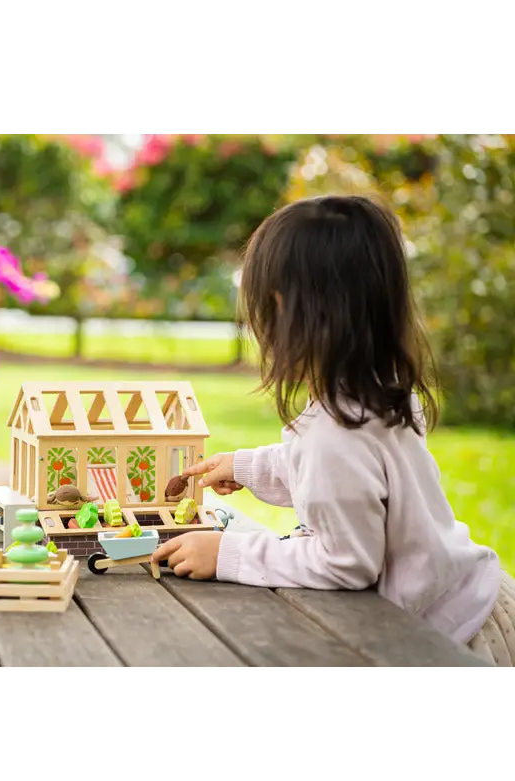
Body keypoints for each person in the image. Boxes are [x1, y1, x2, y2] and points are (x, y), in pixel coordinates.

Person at [151, 194, 515, 668]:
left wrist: (228, 554)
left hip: (444, 638)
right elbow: (333, 473)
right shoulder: (374, 392)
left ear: (288, 310)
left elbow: (345, 564)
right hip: (467, 596)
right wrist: (246, 466)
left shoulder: (336, 435)